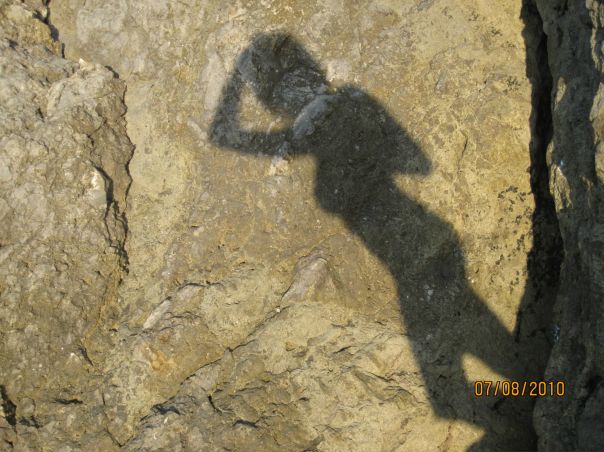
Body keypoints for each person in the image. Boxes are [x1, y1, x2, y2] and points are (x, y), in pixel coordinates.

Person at [210, 32, 530, 451]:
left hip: (422, 253)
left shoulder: (336, 117)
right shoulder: (314, 133)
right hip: (410, 263)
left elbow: (420, 164)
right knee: (459, 385)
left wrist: (237, 79)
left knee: (474, 377)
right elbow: (223, 137)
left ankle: (541, 412)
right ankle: (535, 412)